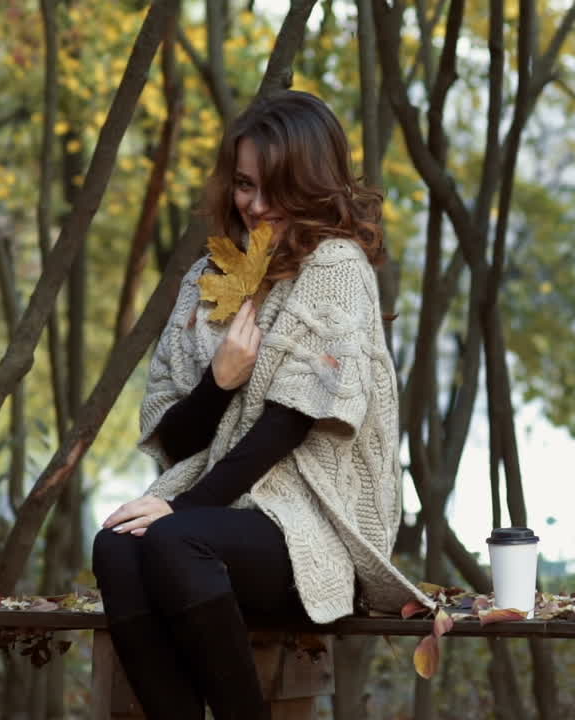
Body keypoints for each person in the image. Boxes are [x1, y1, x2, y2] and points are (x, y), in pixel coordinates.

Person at [91, 90, 428, 720]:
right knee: (114, 545)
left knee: (174, 540)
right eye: (246, 185)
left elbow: (289, 424)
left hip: (313, 529)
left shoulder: (337, 266)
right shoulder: (204, 281)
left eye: (277, 188)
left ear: (313, 185)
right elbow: (175, 440)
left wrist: (180, 507)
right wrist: (220, 382)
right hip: (218, 521)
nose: (258, 205)